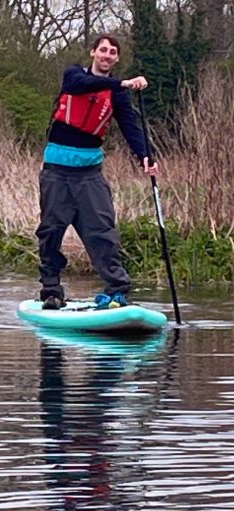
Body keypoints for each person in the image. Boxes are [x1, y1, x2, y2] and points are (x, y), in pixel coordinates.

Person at [37, 33, 158, 310]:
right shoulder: (73, 75)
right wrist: (124, 82)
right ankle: (52, 291)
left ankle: (117, 290)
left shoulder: (116, 93)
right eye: (103, 50)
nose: (107, 55)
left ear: (116, 59)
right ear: (93, 52)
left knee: (102, 231)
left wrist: (146, 156)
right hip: (56, 171)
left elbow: (130, 127)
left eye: (113, 52)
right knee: (51, 231)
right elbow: (81, 85)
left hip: (89, 174)